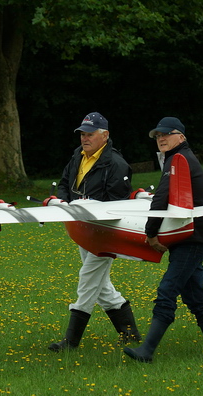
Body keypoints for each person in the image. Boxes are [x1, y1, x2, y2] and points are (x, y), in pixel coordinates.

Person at [123, 117, 203, 363]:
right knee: (195, 296)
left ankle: (146, 351)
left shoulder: (179, 160)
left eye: (166, 134)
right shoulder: (180, 158)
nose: (160, 138)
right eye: (157, 135)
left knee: (167, 290)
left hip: (192, 239)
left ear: (181, 136)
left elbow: (161, 198)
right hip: (194, 237)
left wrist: (150, 233)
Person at [47, 112, 141, 352]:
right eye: (82, 134)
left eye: (90, 134)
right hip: (82, 228)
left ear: (105, 135)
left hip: (105, 231)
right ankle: (130, 334)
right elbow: (65, 184)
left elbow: (118, 205)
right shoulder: (77, 157)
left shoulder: (117, 164)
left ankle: (71, 342)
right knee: (102, 285)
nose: (84, 139)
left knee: (88, 280)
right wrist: (63, 203)